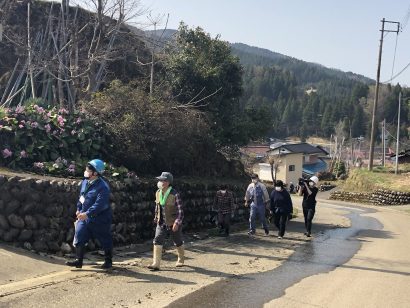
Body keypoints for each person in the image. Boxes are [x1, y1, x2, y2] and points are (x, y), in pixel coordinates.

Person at [66, 159, 113, 269]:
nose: (85, 172)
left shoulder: (103, 187)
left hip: (100, 218)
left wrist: (87, 213)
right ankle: (79, 261)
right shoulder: (85, 182)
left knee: (104, 238)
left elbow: (99, 204)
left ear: (95, 173)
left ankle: (108, 261)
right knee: (80, 234)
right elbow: (81, 197)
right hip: (84, 216)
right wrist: (79, 208)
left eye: (88, 170)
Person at [148, 172, 184, 271]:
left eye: (162, 180)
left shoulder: (175, 194)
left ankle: (181, 258)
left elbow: (180, 211)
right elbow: (157, 206)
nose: (160, 182)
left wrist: (177, 222)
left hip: (173, 222)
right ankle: (156, 263)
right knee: (157, 239)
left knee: (177, 240)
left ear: (167, 182)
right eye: (159, 180)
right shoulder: (158, 192)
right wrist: (156, 217)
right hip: (161, 222)